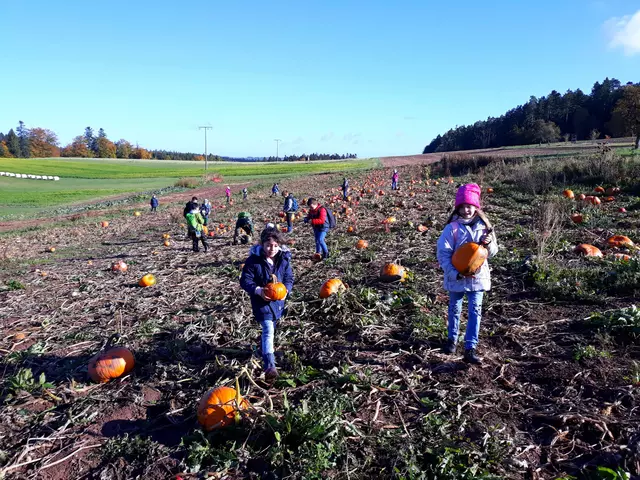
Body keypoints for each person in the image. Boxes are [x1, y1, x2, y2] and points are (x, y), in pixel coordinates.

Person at [436, 183, 498, 364]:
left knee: (475, 311)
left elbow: (493, 252)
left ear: (476, 207)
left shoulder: (485, 226)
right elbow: (443, 253)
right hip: (456, 277)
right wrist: (453, 273)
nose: (466, 210)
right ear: (458, 208)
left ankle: (470, 347)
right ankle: (451, 340)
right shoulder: (452, 228)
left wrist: (488, 244)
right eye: (462, 207)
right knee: (454, 309)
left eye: (469, 206)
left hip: (478, 278)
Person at [240, 227, 294, 382]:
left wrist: (286, 291)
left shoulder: (283, 258)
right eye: (269, 245)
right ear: (262, 244)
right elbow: (245, 280)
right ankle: (269, 364)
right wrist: (258, 290)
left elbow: (289, 278)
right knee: (268, 329)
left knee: (272, 327)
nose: (272, 249)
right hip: (261, 301)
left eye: (276, 246)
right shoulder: (253, 261)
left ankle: (263, 349)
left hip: (278, 301)